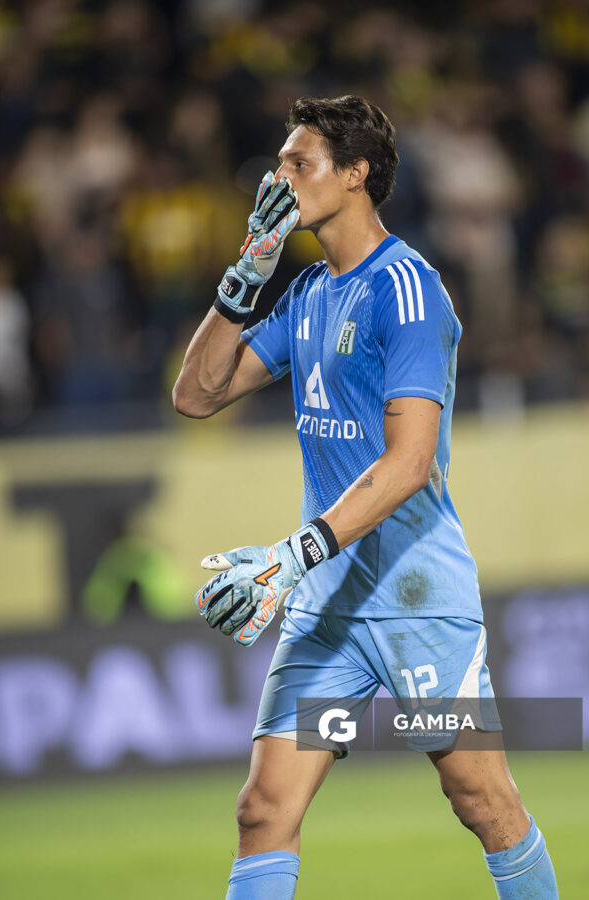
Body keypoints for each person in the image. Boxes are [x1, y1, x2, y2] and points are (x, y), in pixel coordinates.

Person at [173, 95, 558, 900]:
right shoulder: (309, 292)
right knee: (262, 809)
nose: (279, 177)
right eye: (278, 162)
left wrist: (291, 552)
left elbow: (409, 463)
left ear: (355, 175)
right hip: (327, 610)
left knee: (481, 801)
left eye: (297, 162)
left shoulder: (410, 292)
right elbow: (198, 395)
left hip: (415, 599)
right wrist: (246, 271)